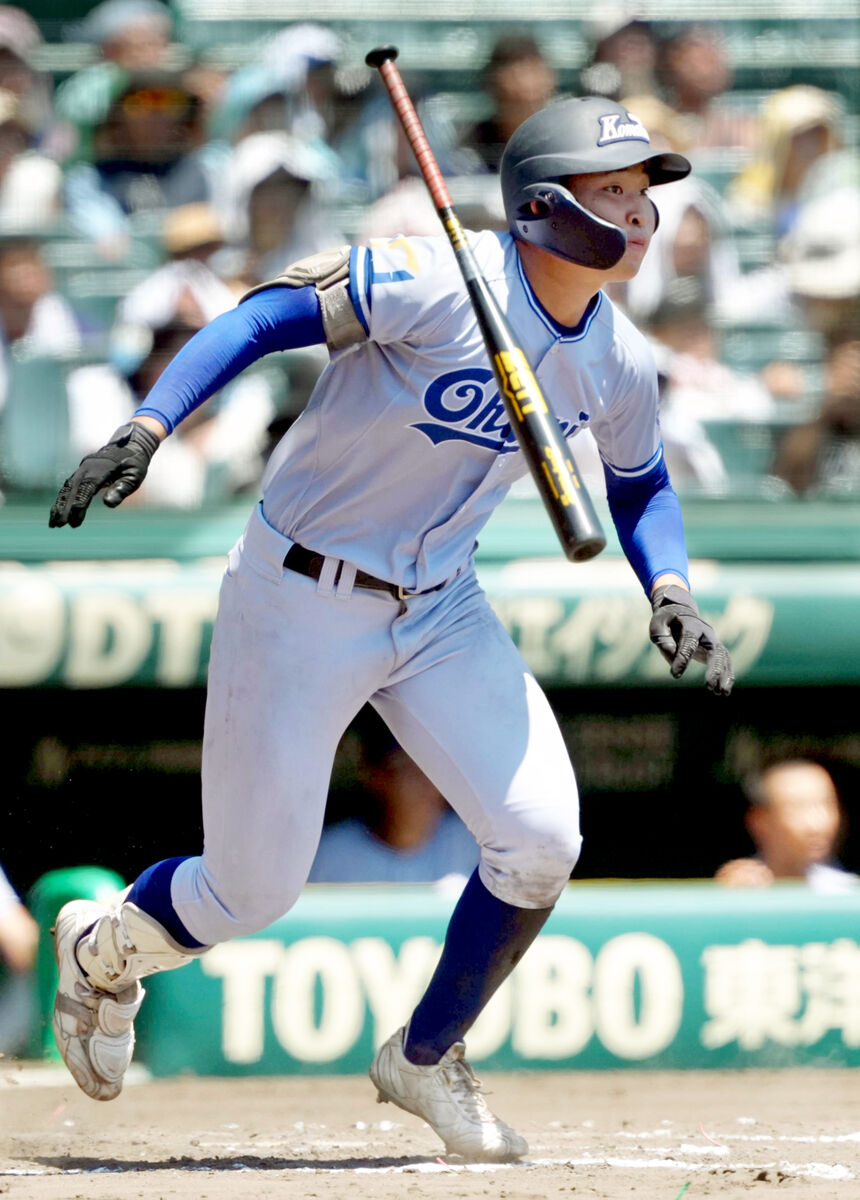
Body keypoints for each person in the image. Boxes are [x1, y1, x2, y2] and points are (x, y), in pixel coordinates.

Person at [47, 95, 733, 1161]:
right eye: (614, 192)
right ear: (544, 206)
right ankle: (102, 949)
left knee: (542, 839)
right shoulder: (430, 276)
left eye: (645, 196)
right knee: (250, 890)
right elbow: (263, 315)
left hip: (439, 601)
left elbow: (639, 485)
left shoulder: (616, 357)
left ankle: (421, 1057)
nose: (639, 216)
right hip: (297, 592)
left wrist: (670, 590)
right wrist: (148, 424)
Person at [309, 722, 479, 885]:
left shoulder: (473, 844)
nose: (427, 783)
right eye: (411, 768)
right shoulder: (331, 856)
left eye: (434, 769)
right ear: (375, 776)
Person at [715, 760, 859, 893]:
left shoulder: (847, 894)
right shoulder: (738, 890)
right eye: (798, 808)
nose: (818, 825)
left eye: (827, 804)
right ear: (759, 821)